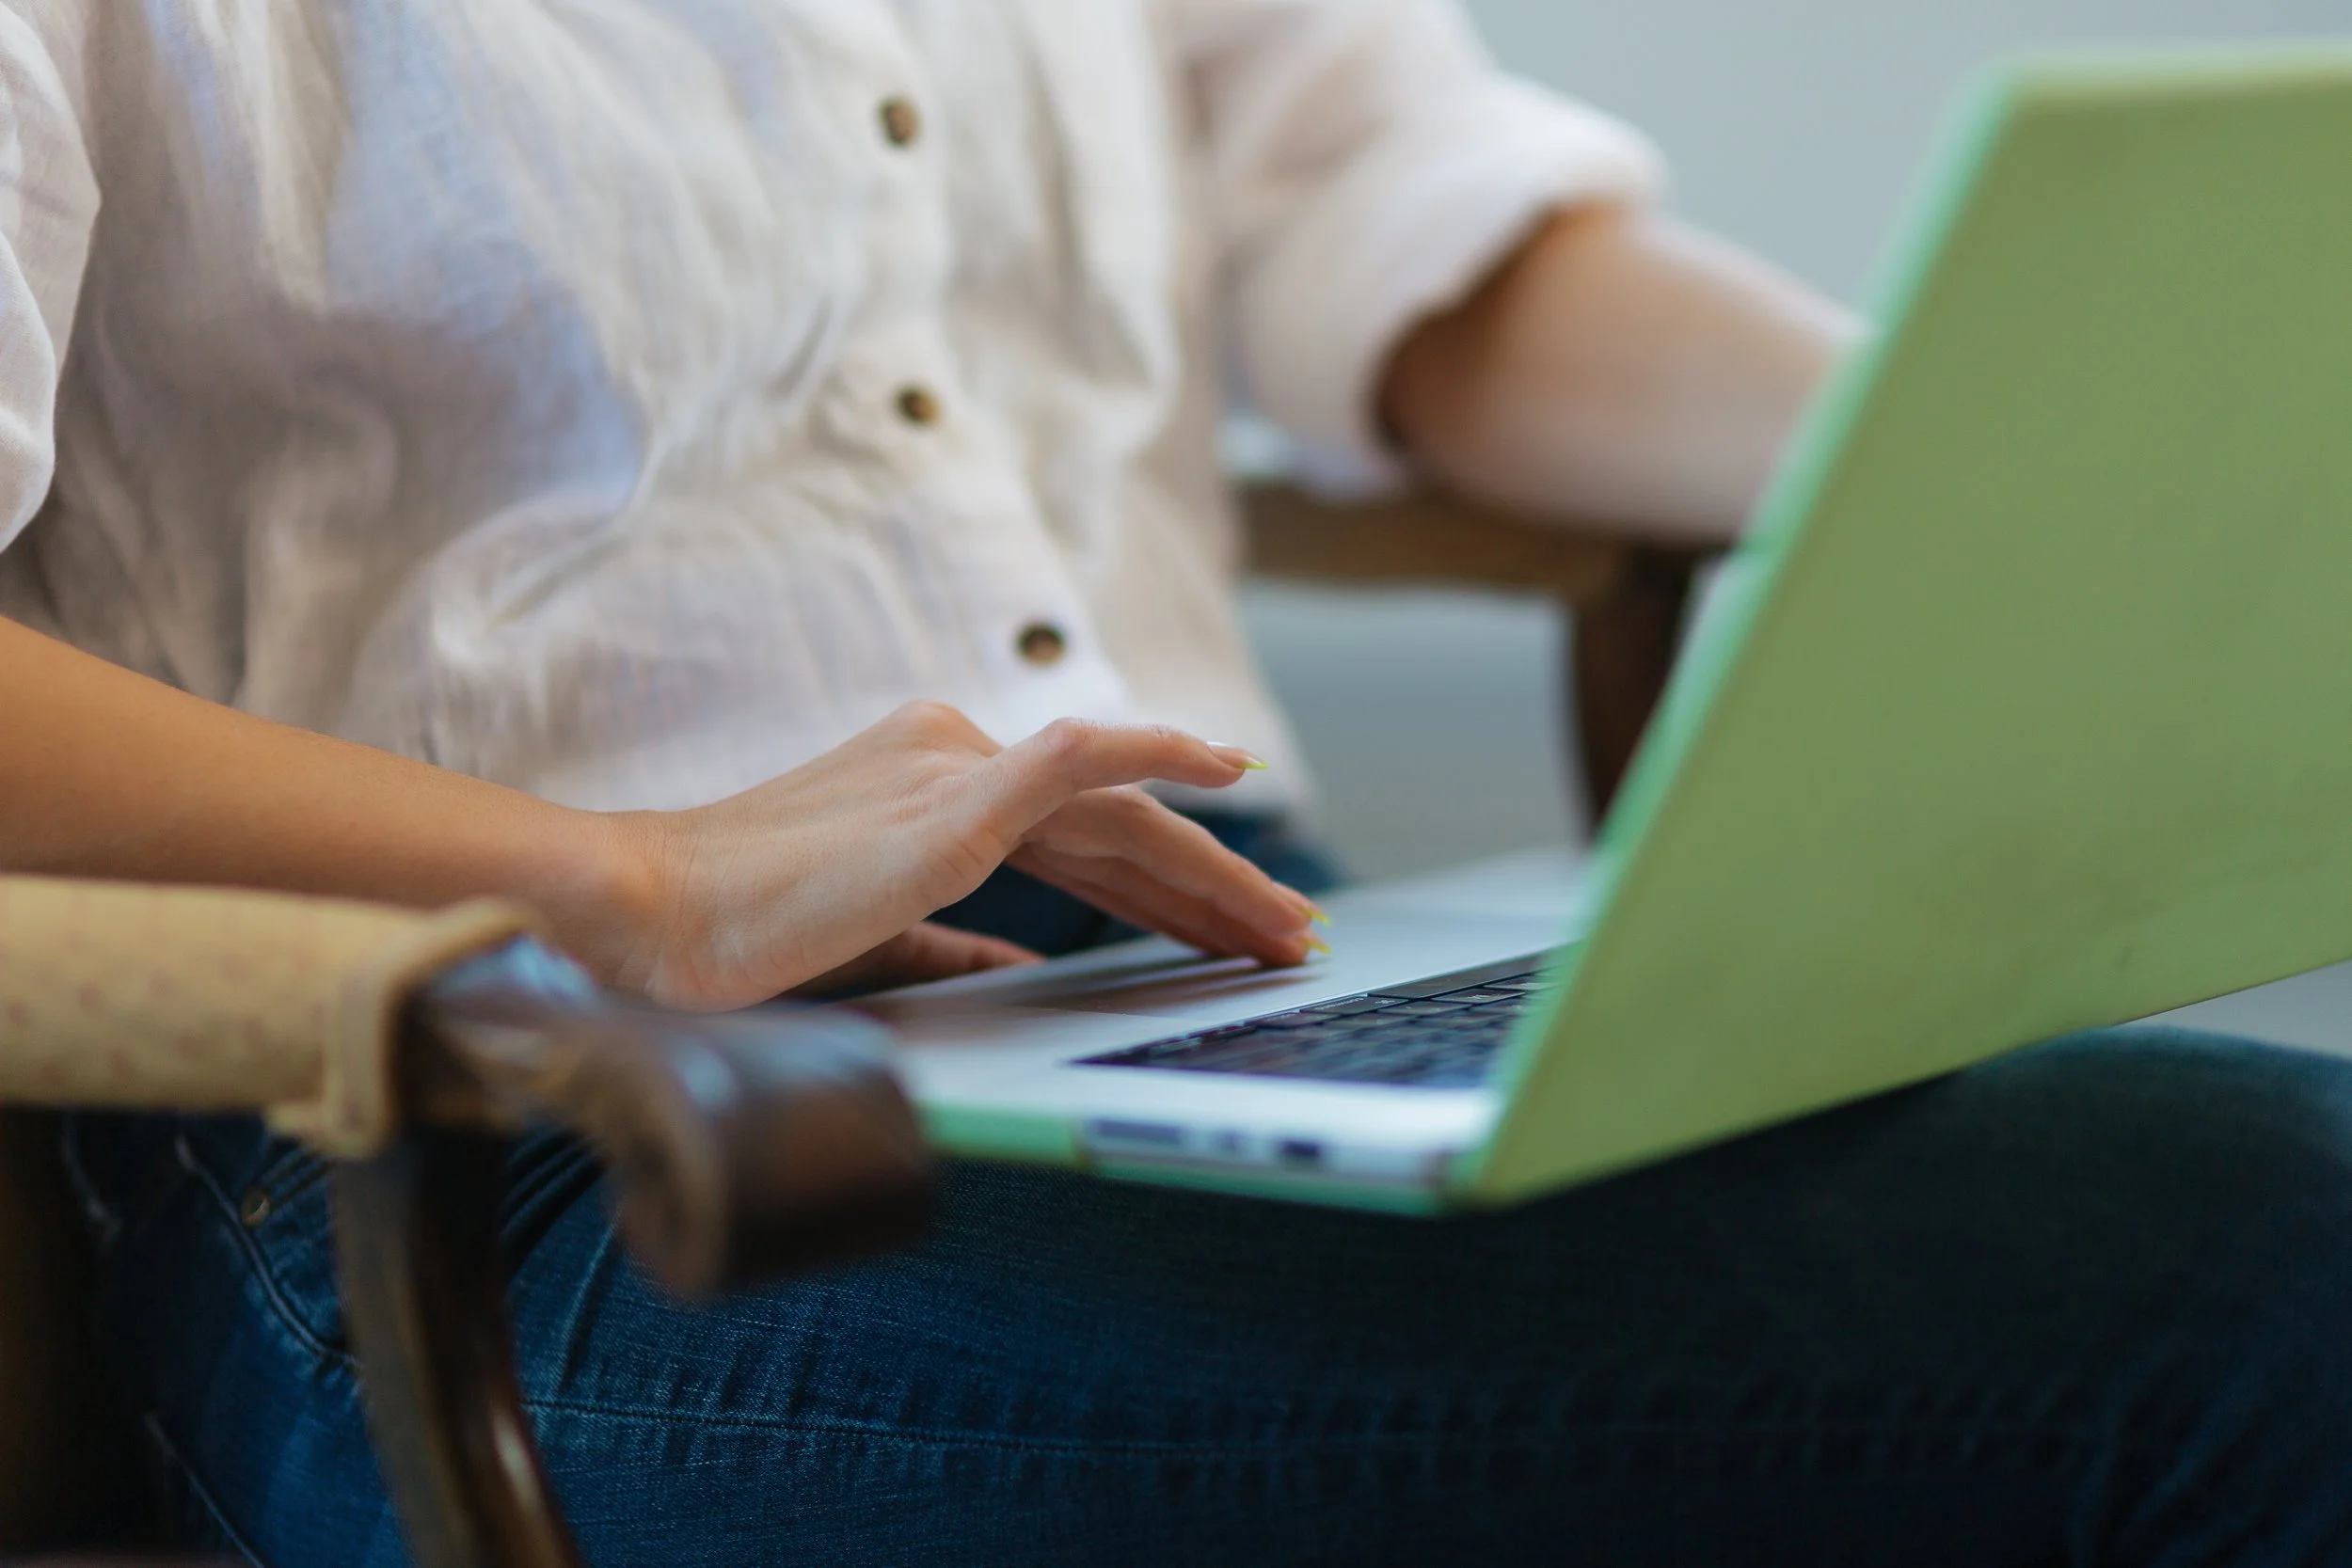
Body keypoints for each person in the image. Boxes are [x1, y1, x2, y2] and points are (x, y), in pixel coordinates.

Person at [4, 3, 2349, 1563]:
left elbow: (1413, 239)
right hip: (507, 1134)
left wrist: (1995, 454)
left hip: (1230, 964)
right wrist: (619, 873)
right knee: (2252, 1252)